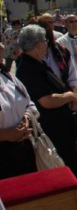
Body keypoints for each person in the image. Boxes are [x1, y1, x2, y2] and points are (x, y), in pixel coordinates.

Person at [17, 25, 77, 182]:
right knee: (63, 170)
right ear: (39, 45)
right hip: (53, 129)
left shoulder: (36, 63)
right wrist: (69, 96)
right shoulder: (28, 68)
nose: (47, 43)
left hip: (60, 126)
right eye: (45, 41)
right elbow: (46, 101)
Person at [0, 42, 38, 180]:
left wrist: (27, 119)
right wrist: (5, 135)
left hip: (23, 148)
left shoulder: (7, 76)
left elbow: (29, 104)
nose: (2, 47)